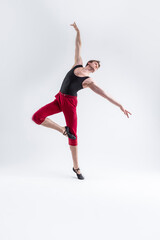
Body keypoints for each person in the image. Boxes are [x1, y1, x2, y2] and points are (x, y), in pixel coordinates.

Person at [32, 22, 132, 180]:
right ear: (89, 62)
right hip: (59, 99)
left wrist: (120, 106)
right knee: (36, 117)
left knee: (74, 137)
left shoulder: (89, 81)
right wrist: (77, 30)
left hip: (70, 104)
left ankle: (76, 168)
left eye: (98, 67)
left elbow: (105, 94)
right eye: (95, 63)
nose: (96, 66)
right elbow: (78, 44)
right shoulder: (77, 63)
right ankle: (63, 130)